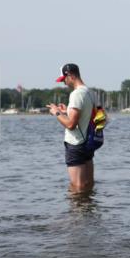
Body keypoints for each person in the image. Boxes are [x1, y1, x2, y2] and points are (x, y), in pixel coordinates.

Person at [47, 63, 95, 192]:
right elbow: (86, 116)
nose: (64, 83)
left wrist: (56, 112)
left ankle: (77, 211)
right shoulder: (89, 92)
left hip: (76, 144)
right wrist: (67, 111)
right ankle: (88, 210)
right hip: (88, 143)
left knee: (77, 187)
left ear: (71, 76)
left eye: (64, 79)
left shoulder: (76, 94)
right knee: (88, 185)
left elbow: (71, 125)